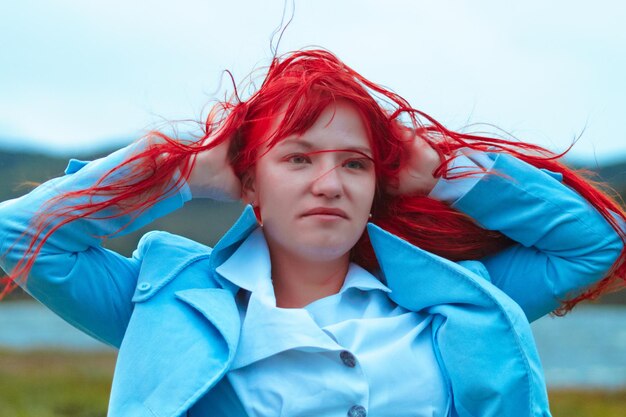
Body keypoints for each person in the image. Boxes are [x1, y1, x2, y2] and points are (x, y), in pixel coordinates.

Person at [0, 49, 625, 417]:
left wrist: (446, 172)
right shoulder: (162, 303)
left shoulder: (459, 300)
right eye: (297, 158)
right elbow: (20, 236)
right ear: (249, 184)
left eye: (354, 163)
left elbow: (598, 241)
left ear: (378, 184)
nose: (330, 183)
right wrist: (181, 173)